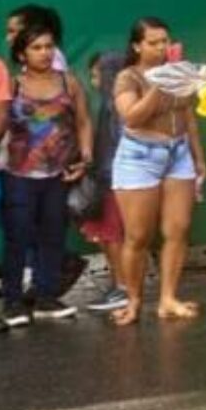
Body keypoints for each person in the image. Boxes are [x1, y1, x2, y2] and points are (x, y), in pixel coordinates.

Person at [111, 18, 206, 326]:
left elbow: (187, 115)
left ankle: (167, 299)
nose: (162, 47)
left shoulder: (180, 71)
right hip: (140, 155)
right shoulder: (128, 77)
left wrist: (198, 157)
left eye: (165, 40)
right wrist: (161, 83)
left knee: (178, 229)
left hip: (178, 154)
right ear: (137, 46)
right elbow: (132, 117)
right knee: (138, 236)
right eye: (153, 42)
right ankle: (134, 301)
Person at [3, 24, 93, 326]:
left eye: (49, 46)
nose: (45, 52)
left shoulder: (69, 83)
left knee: (53, 236)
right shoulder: (13, 86)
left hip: (59, 174)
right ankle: (13, 303)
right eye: (37, 48)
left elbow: (83, 122)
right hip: (18, 174)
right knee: (18, 237)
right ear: (22, 54)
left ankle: (46, 297)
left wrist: (86, 156)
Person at [80, 51, 131, 314]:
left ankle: (123, 288)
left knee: (112, 235)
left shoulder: (115, 107)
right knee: (107, 234)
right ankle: (119, 286)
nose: (93, 81)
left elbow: (121, 144)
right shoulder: (108, 104)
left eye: (96, 74)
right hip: (109, 178)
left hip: (114, 179)